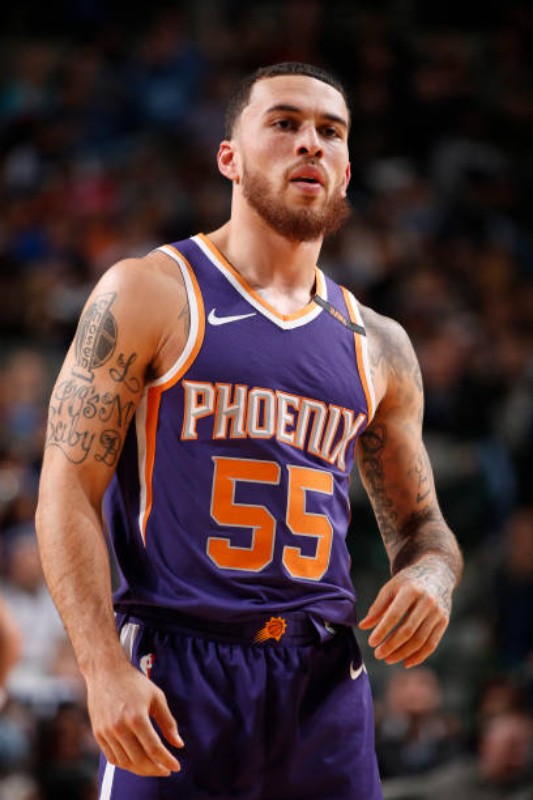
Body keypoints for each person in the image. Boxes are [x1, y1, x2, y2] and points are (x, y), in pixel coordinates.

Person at [35, 62, 463, 800]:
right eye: (284, 123)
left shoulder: (378, 344)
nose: (310, 143)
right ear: (228, 157)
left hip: (322, 679)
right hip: (177, 668)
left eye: (330, 132)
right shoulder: (150, 291)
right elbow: (66, 489)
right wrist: (101, 670)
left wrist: (433, 574)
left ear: (346, 172)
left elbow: (422, 527)